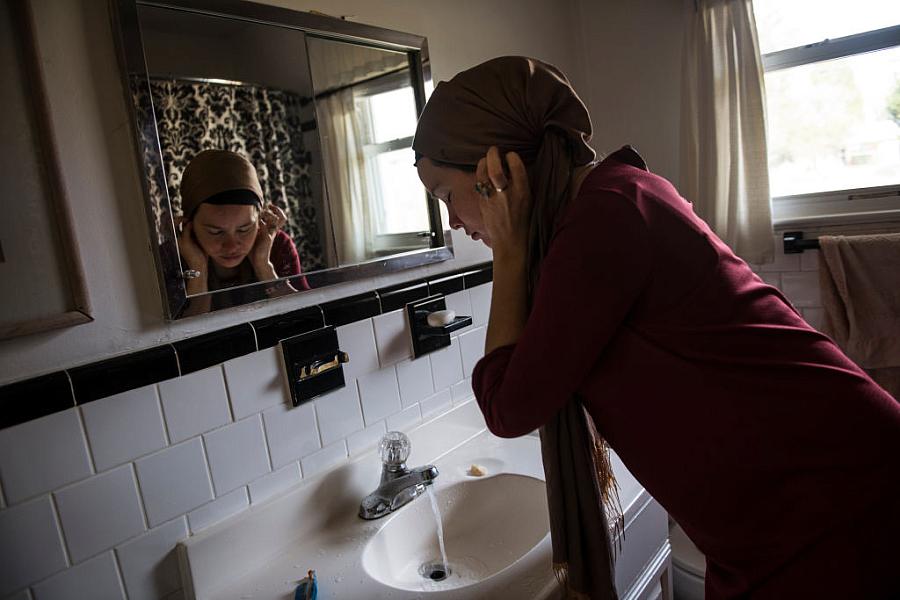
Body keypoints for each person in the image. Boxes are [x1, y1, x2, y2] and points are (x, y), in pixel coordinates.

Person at [412, 56, 900, 599]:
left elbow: (508, 406)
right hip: (808, 491)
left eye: (443, 195)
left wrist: (508, 249)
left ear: (493, 172)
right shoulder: (617, 193)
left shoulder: (601, 222)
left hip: (829, 500)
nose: (452, 221)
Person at [175, 149, 309, 316]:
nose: (231, 246)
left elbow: (307, 319)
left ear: (260, 220)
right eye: (215, 232)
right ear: (189, 223)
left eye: (244, 229)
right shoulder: (171, 257)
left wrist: (264, 266)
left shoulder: (278, 245)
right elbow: (184, 337)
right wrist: (198, 270)